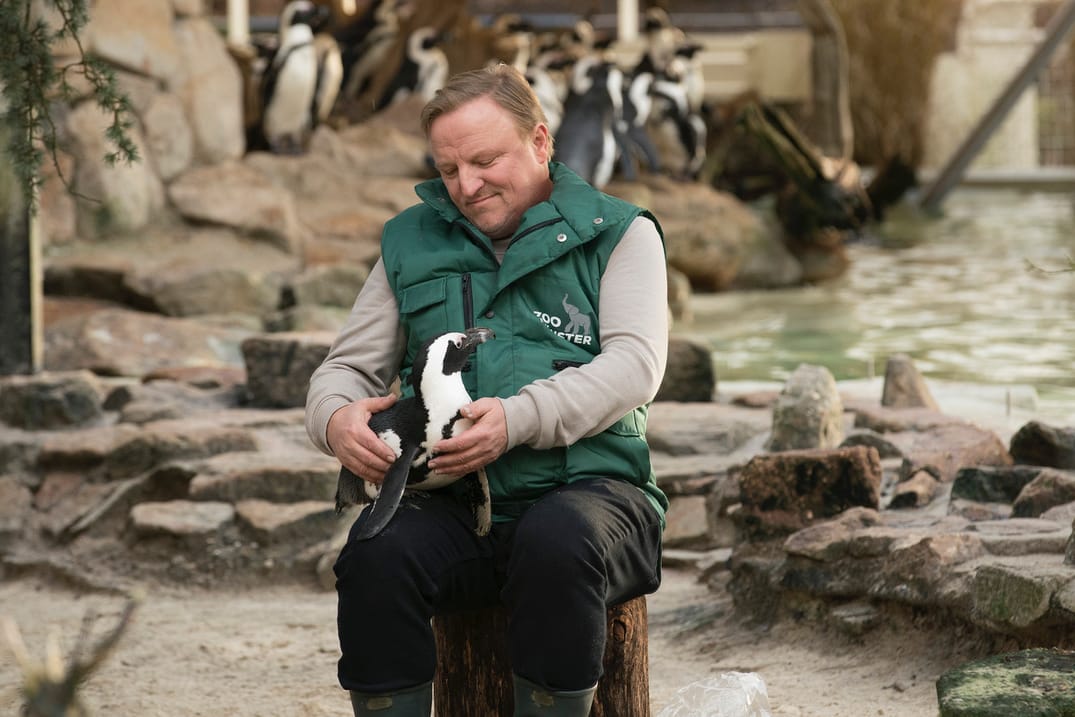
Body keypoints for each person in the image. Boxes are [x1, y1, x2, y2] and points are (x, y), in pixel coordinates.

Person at [305, 62, 669, 717]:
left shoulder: (621, 232)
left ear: (539, 142)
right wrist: (335, 420)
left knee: (557, 543)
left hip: (594, 498)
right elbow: (344, 370)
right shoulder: (407, 242)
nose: (466, 186)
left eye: (484, 161)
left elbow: (635, 366)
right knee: (374, 556)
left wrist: (517, 418)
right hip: (457, 512)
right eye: (448, 170)